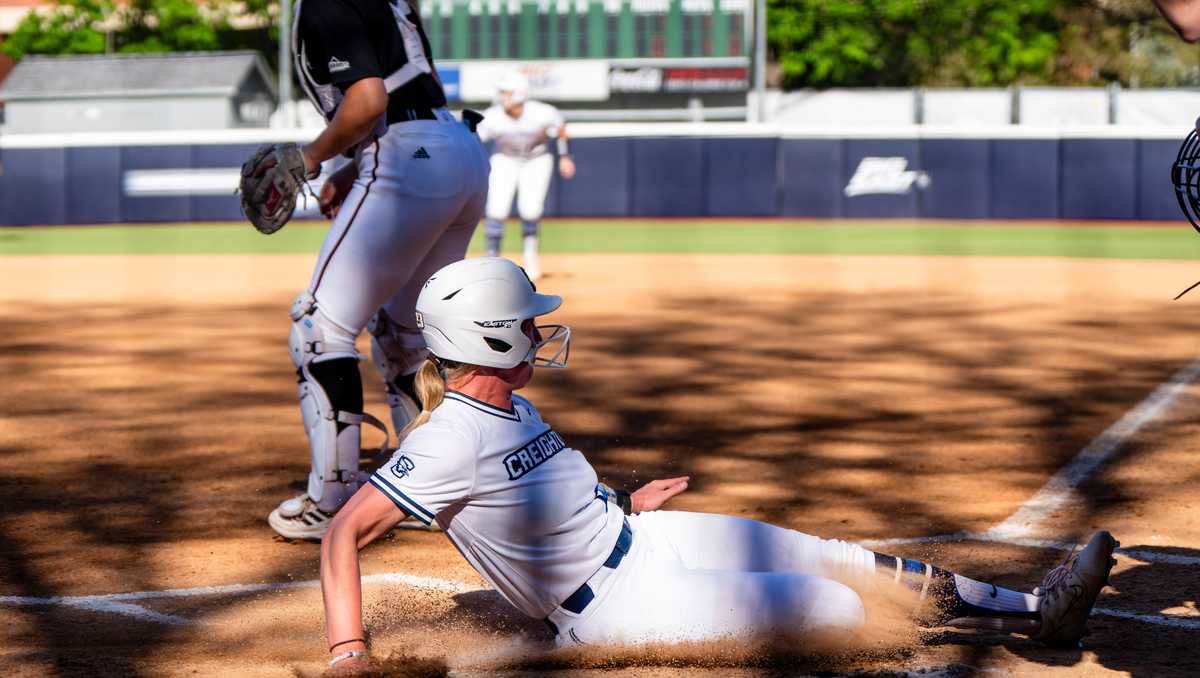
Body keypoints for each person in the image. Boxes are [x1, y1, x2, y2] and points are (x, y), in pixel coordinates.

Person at [317, 257, 1119, 670]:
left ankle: (1035, 609)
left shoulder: (510, 407)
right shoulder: (448, 436)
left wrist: (628, 502)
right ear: (489, 337)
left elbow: (536, 502)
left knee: (838, 558)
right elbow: (342, 534)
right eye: (525, 324)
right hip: (611, 605)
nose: (540, 333)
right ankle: (996, 628)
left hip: (642, 544)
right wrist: (351, 654)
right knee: (831, 609)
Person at [265, 0, 490, 540]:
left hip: (407, 157)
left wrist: (314, 156)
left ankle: (332, 501)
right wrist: (351, 162)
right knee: (406, 336)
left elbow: (368, 100)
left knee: (319, 328)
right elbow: (415, 84)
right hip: (458, 151)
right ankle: (432, 491)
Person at [476, 72, 576, 280]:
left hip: (537, 159)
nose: (504, 97)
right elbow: (475, 139)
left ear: (521, 94)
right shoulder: (493, 115)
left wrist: (565, 156)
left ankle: (531, 259)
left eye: (508, 93)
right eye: (502, 93)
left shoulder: (542, 112)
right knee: (496, 209)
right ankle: (491, 260)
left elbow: (561, 130)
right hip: (505, 158)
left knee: (530, 210)